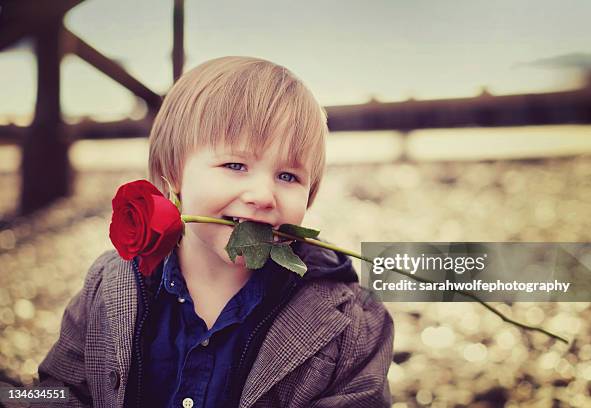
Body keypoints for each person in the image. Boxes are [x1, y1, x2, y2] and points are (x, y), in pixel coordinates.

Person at [38, 56, 394, 407]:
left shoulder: (351, 322)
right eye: (235, 165)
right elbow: (58, 389)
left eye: (288, 176)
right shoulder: (109, 285)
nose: (261, 196)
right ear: (172, 175)